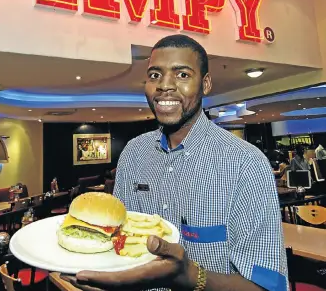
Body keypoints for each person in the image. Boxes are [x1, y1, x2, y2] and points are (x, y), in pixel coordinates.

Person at [62, 35, 287, 291]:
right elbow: (119, 245)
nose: (165, 86)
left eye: (182, 75)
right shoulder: (133, 154)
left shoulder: (246, 164)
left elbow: (268, 287)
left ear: (205, 84)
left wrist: (191, 276)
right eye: (155, 75)